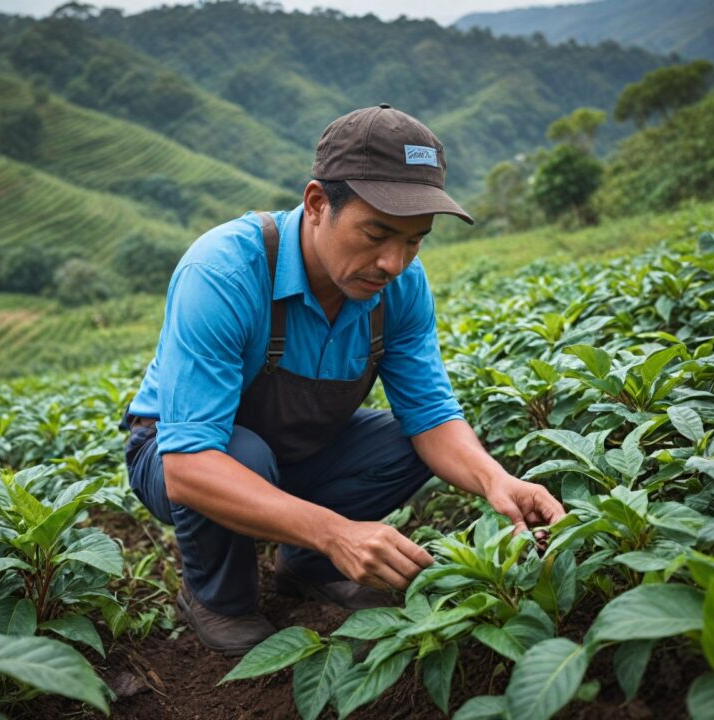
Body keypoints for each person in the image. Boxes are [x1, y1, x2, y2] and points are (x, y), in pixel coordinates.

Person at [122, 104, 565, 656]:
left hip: (298, 445)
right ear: (316, 204)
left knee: (407, 442)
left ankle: (305, 565)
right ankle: (218, 595)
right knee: (242, 453)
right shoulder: (224, 271)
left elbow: (431, 416)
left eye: (413, 241)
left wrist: (496, 481)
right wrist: (337, 529)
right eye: (376, 233)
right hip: (176, 452)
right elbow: (188, 467)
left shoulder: (400, 287)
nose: (392, 263)